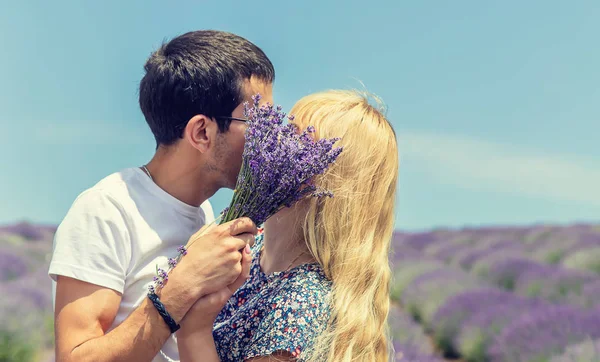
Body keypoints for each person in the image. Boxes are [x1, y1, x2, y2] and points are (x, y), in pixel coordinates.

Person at [48, 30, 275, 362]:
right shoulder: (107, 210)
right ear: (202, 132)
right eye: (258, 122)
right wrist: (180, 288)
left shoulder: (206, 216)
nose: (271, 137)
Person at [176, 90, 399, 362]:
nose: (274, 142)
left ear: (328, 180)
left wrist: (194, 332)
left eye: (296, 139)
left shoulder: (298, 306)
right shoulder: (254, 241)